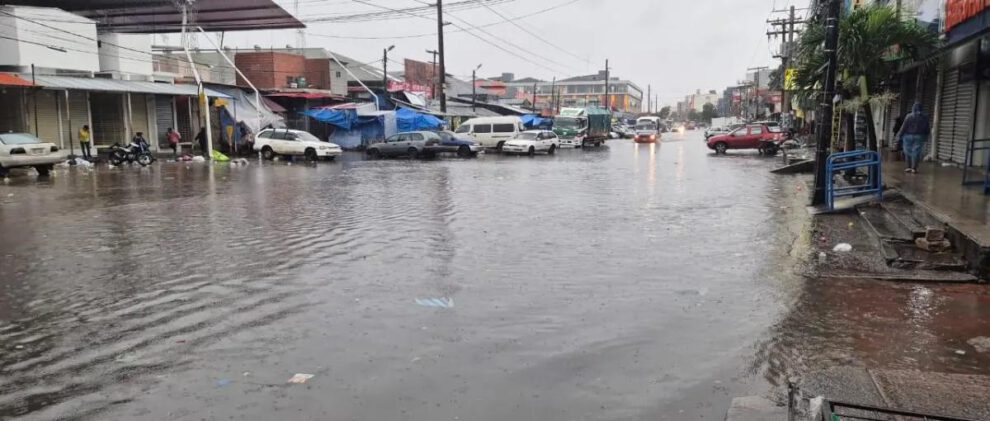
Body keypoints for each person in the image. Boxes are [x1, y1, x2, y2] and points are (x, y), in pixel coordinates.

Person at [896, 102, 930, 174]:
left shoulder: (909, 116)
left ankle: (908, 167)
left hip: (908, 136)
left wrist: (899, 135)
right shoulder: (925, 117)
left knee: (908, 152)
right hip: (919, 137)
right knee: (916, 152)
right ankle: (914, 168)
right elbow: (927, 128)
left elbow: (904, 127)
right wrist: (926, 135)